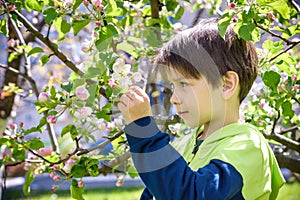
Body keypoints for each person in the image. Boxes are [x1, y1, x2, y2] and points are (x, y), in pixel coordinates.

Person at [117, 18, 285, 200]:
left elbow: (192, 195)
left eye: (183, 84)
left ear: (226, 85)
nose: (173, 99)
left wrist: (144, 130)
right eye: (173, 86)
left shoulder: (247, 146)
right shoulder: (184, 144)